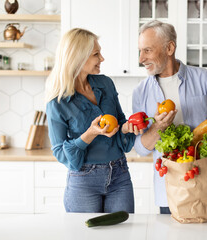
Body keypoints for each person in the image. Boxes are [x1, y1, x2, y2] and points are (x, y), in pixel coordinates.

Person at [132, 20, 207, 214]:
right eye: (140, 51)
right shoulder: (141, 92)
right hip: (172, 192)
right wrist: (157, 128)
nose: (141, 58)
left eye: (147, 50)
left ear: (170, 48)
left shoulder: (205, 79)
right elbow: (141, 148)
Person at [45, 28, 138, 213]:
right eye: (96, 54)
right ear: (78, 57)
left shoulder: (106, 84)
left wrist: (126, 129)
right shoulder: (57, 101)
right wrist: (90, 134)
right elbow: (60, 152)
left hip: (119, 174)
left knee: (122, 233)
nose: (102, 59)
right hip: (83, 181)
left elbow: (119, 122)